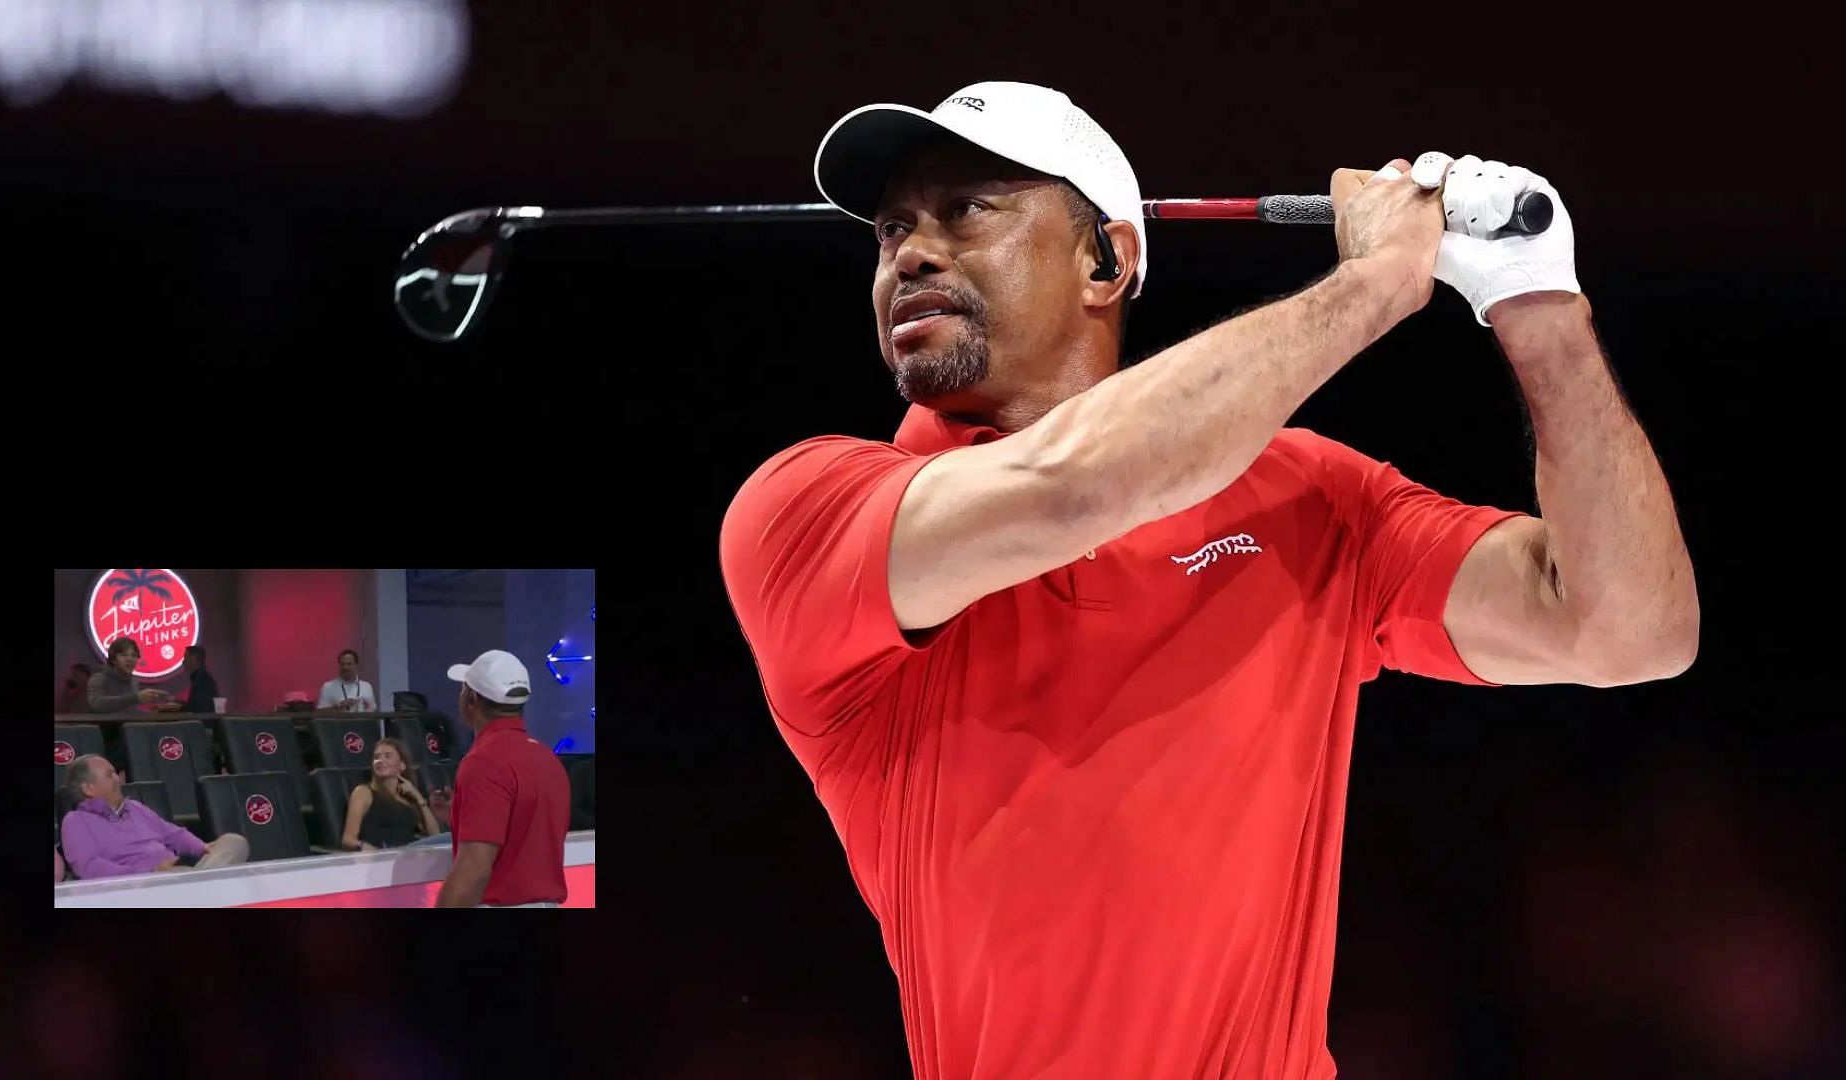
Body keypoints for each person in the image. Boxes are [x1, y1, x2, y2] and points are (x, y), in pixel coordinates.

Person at [718, 82, 1698, 1079]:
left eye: (968, 209)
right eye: (890, 229)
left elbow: (1629, 628)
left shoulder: (1308, 498)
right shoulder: (808, 511)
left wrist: (1539, 307)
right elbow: (1080, 485)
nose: (911, 253)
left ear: (1107, 257)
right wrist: (1372, 286)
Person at [433, 650, 572, 908]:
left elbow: (474, 870)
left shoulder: (483, 762)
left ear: (471, 698)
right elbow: (525, 831)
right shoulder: (547, 759)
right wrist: (460, 815)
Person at [58, 755, 248, 878]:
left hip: (178, 870)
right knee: (183, 874)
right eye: (110, 775)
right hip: (141, 884)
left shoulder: (136, 807)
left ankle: (199, 882)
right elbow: (89, 868)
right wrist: (150, 872)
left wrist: (203, 847)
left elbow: (174, 834)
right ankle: (201, 883)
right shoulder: (76, 821)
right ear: (89, 788)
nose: (119, 778)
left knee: (234, 841)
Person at [340, 737, 440, 850]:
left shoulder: (407, 798)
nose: (380, 761)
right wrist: (365, 847)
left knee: (447, 839)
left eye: (388, 756)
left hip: (408, 855)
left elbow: (434, 835)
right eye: (377, 757)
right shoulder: (364, 792)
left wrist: (418, 797)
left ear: (402, 765)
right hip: (382, 856)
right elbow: (347, 840)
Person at [86, 637, 176, 713]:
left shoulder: (133, 680)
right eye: (124, 655)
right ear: (113, 659)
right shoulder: (99, 678)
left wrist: (155, 711)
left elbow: (128, 713)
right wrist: (136, 698)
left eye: (133, 656)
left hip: (129, 731)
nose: (130, 659)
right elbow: (96, 705)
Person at [181, 644, 220, 713]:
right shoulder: (203, 678)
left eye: (185, 657)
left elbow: (200, 711)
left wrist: (179, 708)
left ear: (193, 659)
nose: (183, 662)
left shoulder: (202, 680)